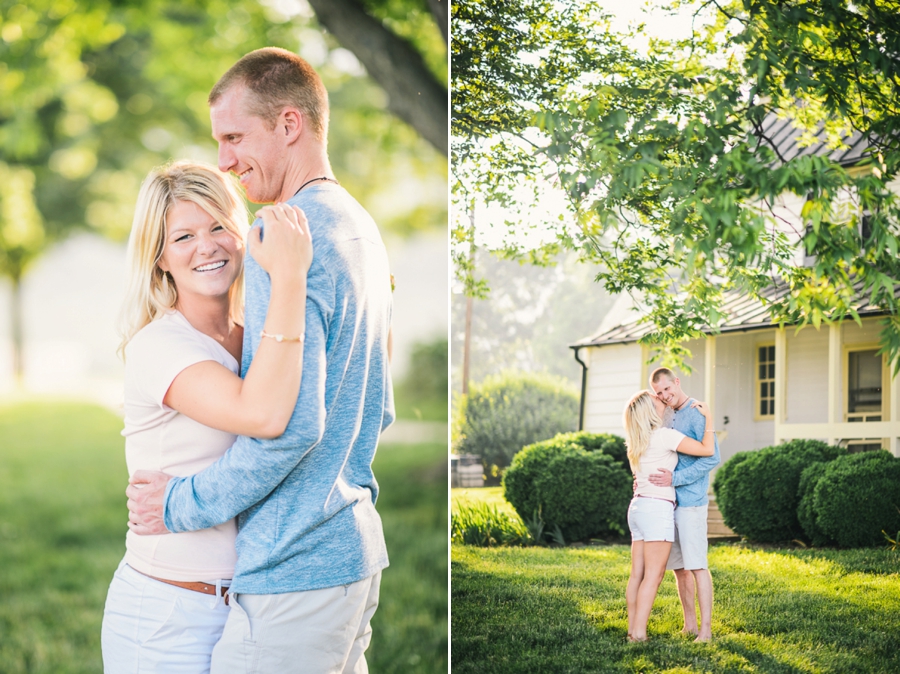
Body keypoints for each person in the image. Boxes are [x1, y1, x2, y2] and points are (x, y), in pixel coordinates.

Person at [125, 47, 395, 673]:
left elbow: (288, 424)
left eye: (235, 136)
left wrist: (177, 505)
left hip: (294, 567)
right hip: (352, 551)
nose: (224, 160)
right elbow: (377, 408)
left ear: (290, 125)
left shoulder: (282, 237)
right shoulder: (360, 229)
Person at [101, 161, 312, 672]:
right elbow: (260, 414)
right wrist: (290, 275)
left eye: (219, 226)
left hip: (246, 604)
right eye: (184, 236)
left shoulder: (254, 334)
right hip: (166, 615)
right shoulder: (160, 346)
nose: (208, 246)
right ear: (160, 258)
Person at [622, 390, 716, 642]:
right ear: (650, 412)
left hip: (638, 508)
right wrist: (709, 419)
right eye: (656, 400)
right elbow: (707, 450)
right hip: (656, 511)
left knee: (637, 575)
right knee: (654, 575)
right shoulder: (664, 436)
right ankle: (639, 634)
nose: (662, 400)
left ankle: (632, 630)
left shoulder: (636, 441)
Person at [648, 367, 720, 642]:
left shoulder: (698, 411)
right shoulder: (665, 414)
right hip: (669, 503)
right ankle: (689, 624)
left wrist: (675, 479)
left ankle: (706, 630)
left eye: (668, 388)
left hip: (691, 503)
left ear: (677, 382)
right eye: (659, 392)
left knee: (697, 566)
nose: (665, 395)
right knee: (679, 568)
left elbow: (712, 457)